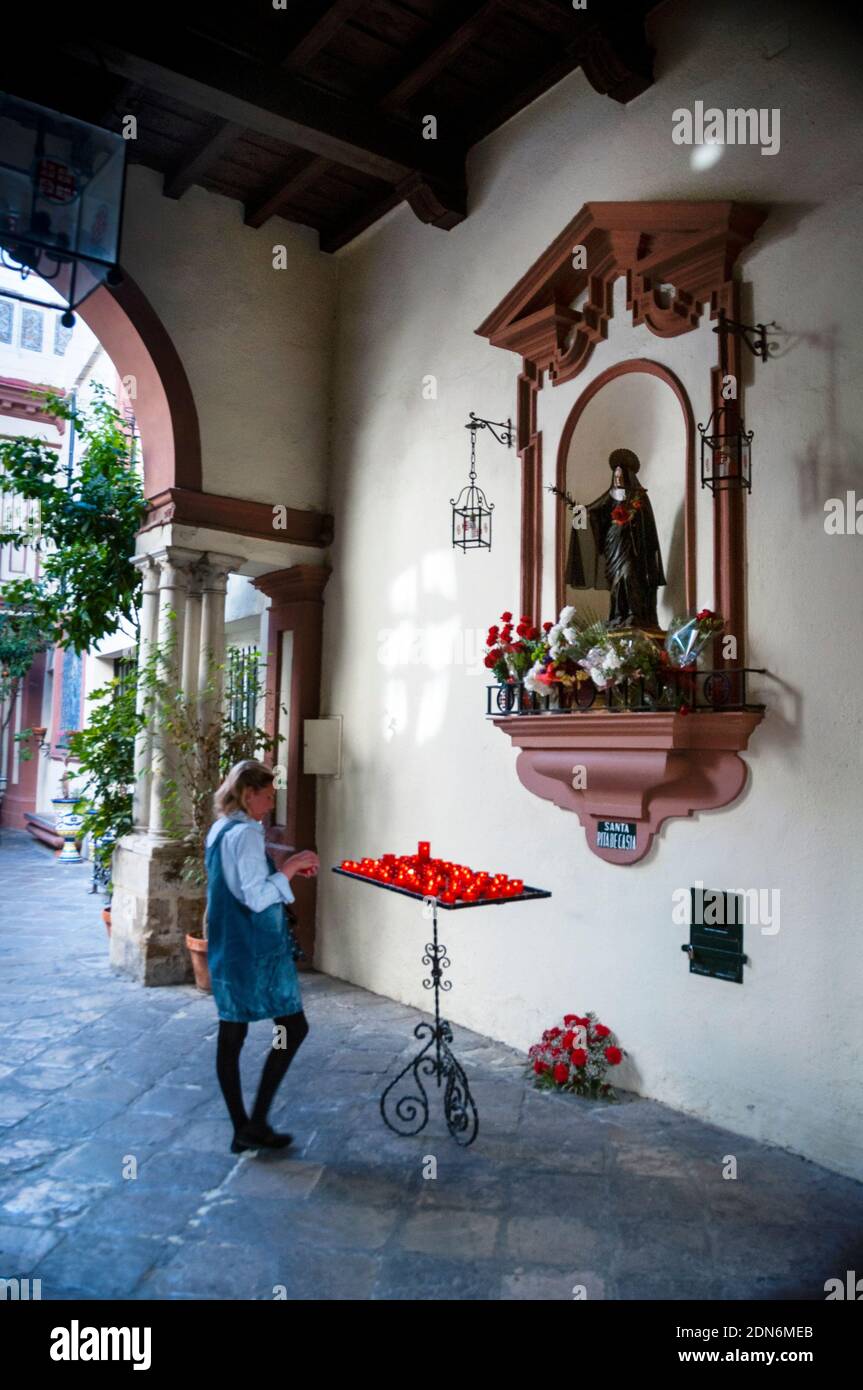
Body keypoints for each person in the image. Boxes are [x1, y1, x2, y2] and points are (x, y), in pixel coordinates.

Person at [205, 759, 320, 1154]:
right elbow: (255, 897)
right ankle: (252, 1122)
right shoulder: (247, 836)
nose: (271, 803)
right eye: (268, 796)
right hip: (257, 950)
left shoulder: (221, 829)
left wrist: (280, 875)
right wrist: (288, 868)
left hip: (228, 944)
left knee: (232, 1033)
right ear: (248, 793)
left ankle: (246, 1126)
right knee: (291, 1027)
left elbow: (238, 885)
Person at [566, 448, 666, 630]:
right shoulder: (610, 495)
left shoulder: (638, 496)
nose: (618, 478)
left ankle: (634, 614)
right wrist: (579, 513)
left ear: (628, 476)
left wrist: (633, 523)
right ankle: (618, 615)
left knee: (629, 576)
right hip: (614, 545)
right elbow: (595, 513)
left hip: (633, 548)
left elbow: (647, 525)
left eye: (621, 475)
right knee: (616, 582)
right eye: (616, 475)